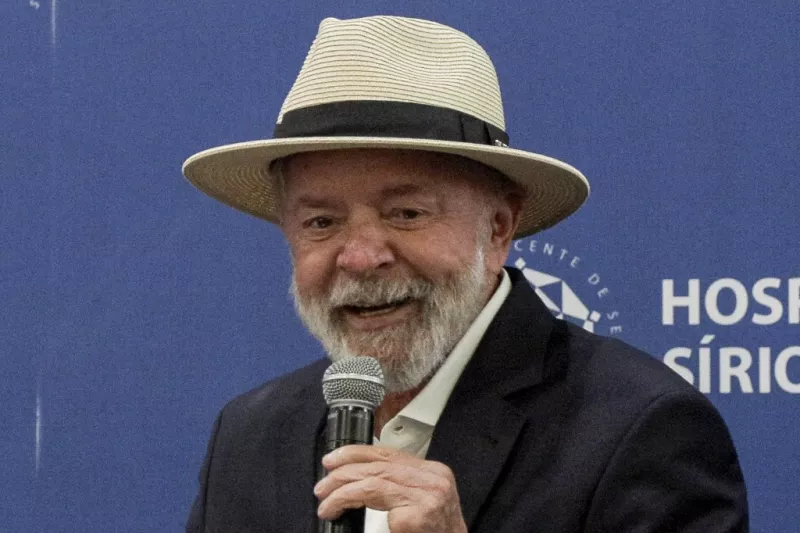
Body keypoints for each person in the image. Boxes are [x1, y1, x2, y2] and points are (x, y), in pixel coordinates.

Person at [182, 15, 748, 533]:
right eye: (321, 221)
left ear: (499, 228)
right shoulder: (250, 435)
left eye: (405, 213)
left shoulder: (641, 429)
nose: (359, 257)